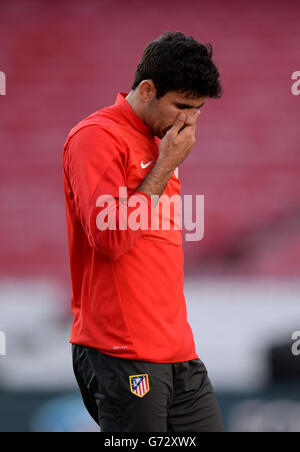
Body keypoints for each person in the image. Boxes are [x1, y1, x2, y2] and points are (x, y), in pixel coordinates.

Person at [62, 31, 224, 432]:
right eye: (182, 106)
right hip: (122, 350)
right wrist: (165, 166)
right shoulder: (95, 137)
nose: (189, 120)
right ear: (148, 89)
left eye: (198, 109)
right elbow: (111, 239)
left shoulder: (161, 142)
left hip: (178, 351)